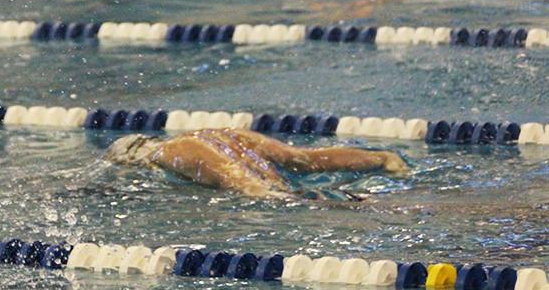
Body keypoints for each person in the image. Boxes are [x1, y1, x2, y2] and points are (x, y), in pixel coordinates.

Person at [105, 128, 409, 199]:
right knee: (300, 159)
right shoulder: (218, 134)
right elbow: (305, 160)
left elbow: (235, 178)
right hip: (221, 138)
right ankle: (384, 159)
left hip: (274, 193)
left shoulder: (168, 152)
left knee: (254, 187)